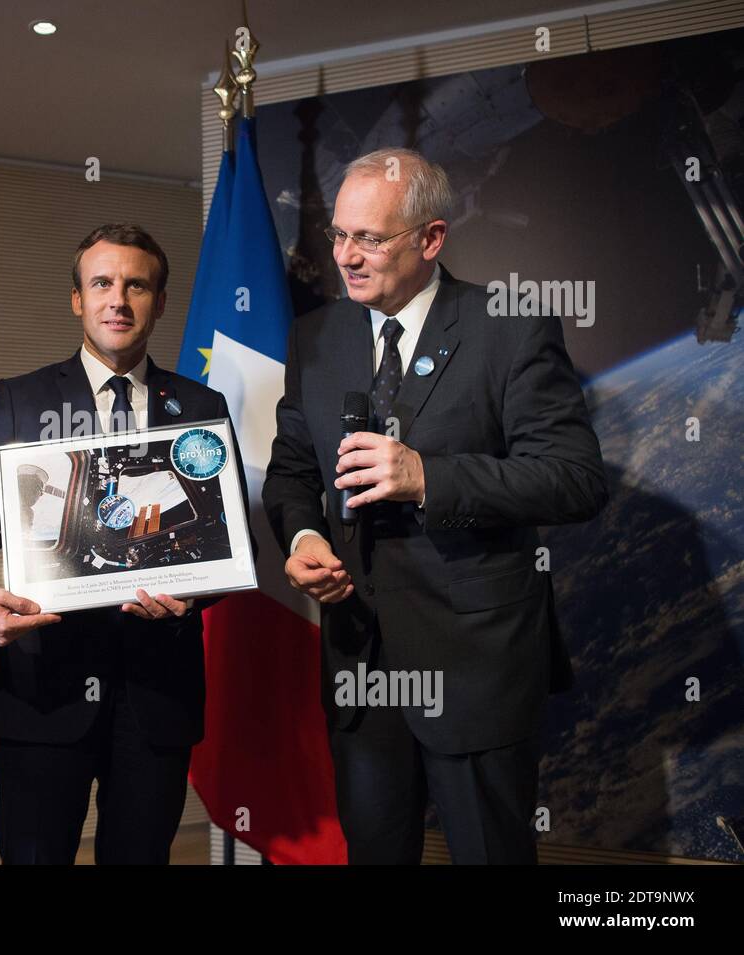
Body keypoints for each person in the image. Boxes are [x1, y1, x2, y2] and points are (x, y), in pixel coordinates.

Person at [264, 149, 607, 864]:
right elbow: (293, 468)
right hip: (360, 659)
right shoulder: (316, 337)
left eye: (370, 238)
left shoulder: (508, 326)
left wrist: (428, 478)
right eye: (338, 235)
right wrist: (301, 537)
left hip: (475, 665)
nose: (346, 257)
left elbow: (574, 478)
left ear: (431, 238)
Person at [0, 223, 246, 864]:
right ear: (77, 299)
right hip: (41, 691)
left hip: (157, 695)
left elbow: (221, 544)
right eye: (102, 283)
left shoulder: (201, 405)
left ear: (159, 303)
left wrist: (196, 598)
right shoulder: (20, 401)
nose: (119, 300)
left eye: (138, 285)